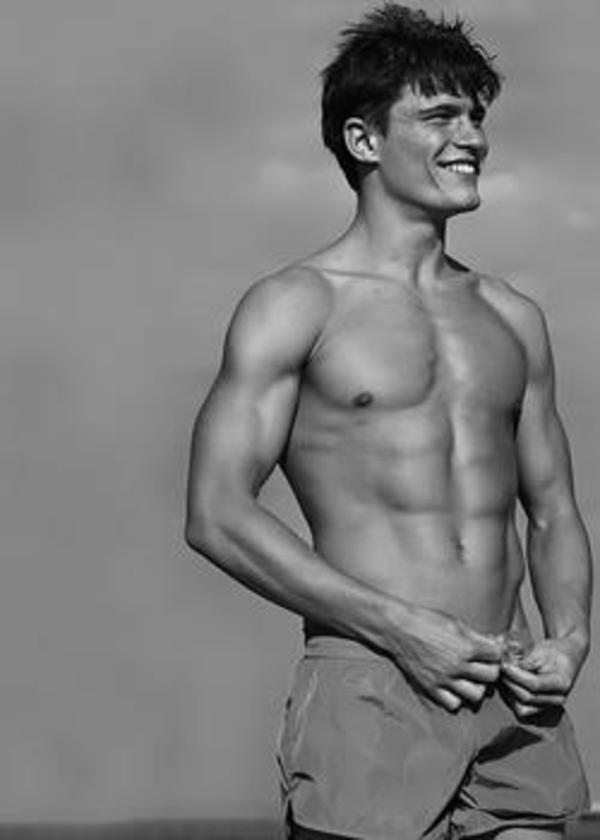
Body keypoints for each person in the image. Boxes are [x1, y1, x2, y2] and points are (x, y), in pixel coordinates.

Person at [185, 5, 592, 838]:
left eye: (475, 116)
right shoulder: (296, 305)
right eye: (440, 116)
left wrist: (572, 638)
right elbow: (216, 513)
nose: (472, 137)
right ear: (364, 139)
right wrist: (401, 629)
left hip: (514, 690)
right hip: (373, 679)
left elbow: (553, 509)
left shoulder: (512, 316)